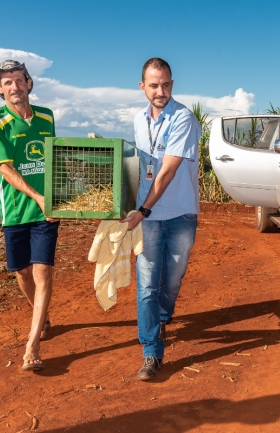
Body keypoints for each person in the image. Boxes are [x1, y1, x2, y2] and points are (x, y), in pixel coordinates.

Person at [121, 58, 201, 380]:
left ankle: (163, 317)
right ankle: (151, 351)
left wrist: (143, 209)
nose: (161, 91)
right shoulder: (139, 120)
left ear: (172, 84)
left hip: (181, 213)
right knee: (147, 284)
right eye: (154, 85)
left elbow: (166, 170)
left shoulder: (184, 118)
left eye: (166, 84)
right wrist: (130, 206)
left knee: (173, 279)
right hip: (148, 218)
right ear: (142, 87)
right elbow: (138, 167)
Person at [0, 60, 59, 372]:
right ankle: (43, 315)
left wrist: (56, 198)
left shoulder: (46, 116)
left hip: (46, 210)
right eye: (7, 83)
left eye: (19, 80)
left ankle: (33, 345)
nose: (15, 87)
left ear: (29, 83)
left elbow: (55, 157)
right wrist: (37, 196)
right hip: (15, 210)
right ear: (0, 89)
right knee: (22, 273)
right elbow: (4, 167)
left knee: (42, 273)